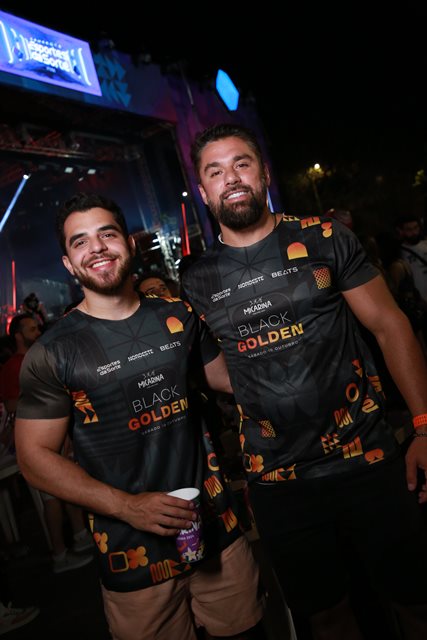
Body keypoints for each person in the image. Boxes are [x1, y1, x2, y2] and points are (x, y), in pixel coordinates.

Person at [181, 122, 427, 640]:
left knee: (414, 598)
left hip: (368, 458)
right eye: (215, 171)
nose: (232, 178)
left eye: (242, 163)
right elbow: (216, 371)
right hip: (279, 481)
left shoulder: (323, 237)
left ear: (264, 173)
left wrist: (424, 426)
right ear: (203, 191)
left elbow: (390, 325)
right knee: (327, 616)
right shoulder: (195, 279)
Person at [14, 193, 265, 640]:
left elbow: (230, 380)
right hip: (132, 555)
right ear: (68, 263)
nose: (97, 247)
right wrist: (127, 507)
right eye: (80, 241)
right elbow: (34, 458)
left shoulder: (178, 315)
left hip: (217, 532)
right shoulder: (52, 352)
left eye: (107, 234)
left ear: (129, 244)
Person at [0, 313, 94, 574]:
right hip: (35, 440)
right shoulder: (12, 366)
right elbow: (11, 405)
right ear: (18, 335)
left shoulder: (40, 356)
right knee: (51, 499)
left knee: (71, 483)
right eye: (31, 329)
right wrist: (42, 397)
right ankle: (59, 555)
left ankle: (80, 536)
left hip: (56, 435)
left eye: (37, 327)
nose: (38, 332)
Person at [396, 213, 427, 302]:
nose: (414, 232)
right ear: (401, 231)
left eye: (416, 228)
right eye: (409, 229)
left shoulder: (425, 245)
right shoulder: (399, 252)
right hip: (419, 301)